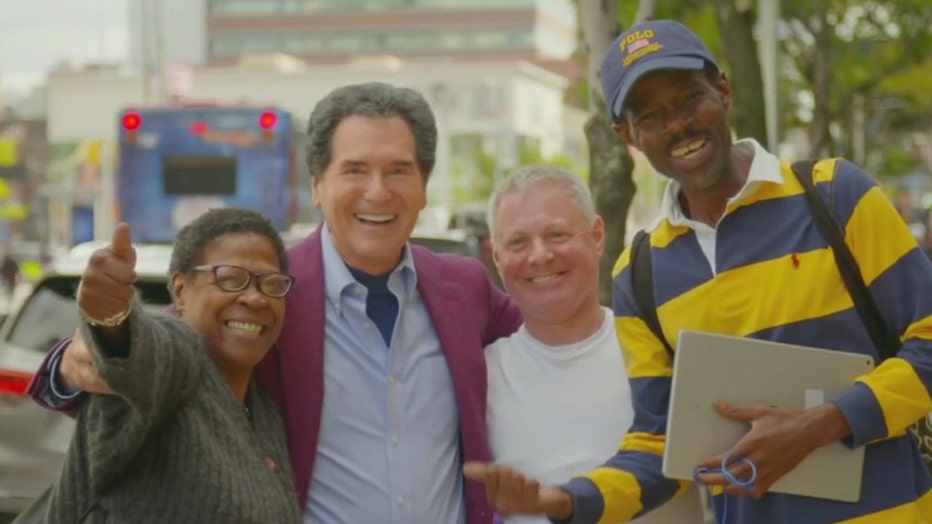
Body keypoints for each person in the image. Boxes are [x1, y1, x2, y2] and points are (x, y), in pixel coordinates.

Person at [464, 19, 932, 524]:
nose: (678, 126)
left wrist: (824, 424)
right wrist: (562, 501)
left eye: (689, 100)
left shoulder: (835, 196)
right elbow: (659, 446)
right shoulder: (641, 274)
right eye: (651, 116)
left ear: (723, 90)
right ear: (628, 136)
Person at [28, 82, 522, 524]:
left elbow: (550, 337)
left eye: (398, 171)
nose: (378, 191)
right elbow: (157, 348)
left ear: (423, 188)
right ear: (317, 186)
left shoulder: (465, 288)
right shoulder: (268, 290)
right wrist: (83, 349)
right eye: (355, 170)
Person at [19, 209, 301, 523]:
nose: (255, 298)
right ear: (180, 290)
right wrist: (110, 316)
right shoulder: (178, 363)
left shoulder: (264, 410)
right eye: (231, 279)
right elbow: (145, 352)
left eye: (272, 284)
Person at [482, 164, 704, 524]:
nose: (539, 256)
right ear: (496, 256)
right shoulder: (481, 376)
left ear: (597, 236)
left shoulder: (660, 349)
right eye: (518, 242)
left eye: (556, 235)